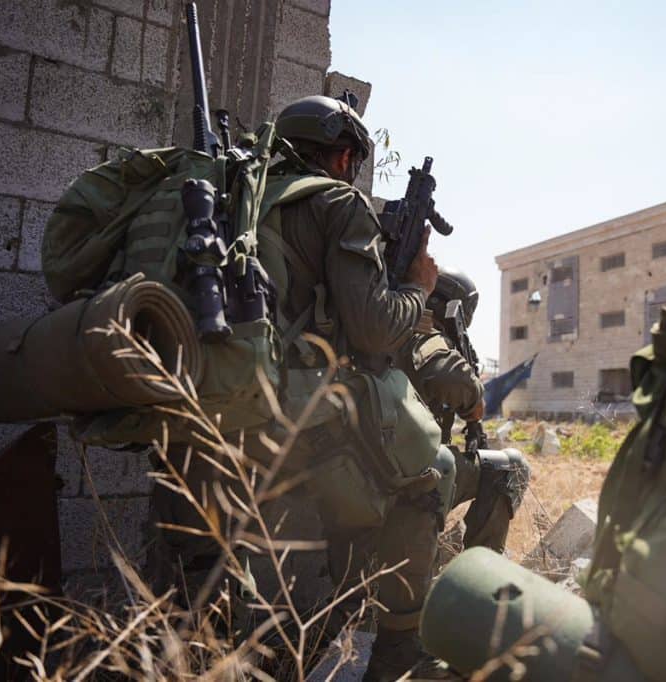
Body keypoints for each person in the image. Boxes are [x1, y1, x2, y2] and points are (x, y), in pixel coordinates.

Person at [149, 94, 449, 681]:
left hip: (189, 411)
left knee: (197, 586)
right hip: (282, 427)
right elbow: (372, 328)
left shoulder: (220, 196)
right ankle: (393, 655)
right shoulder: (337, 203)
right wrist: (416, 288)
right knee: (427, 478)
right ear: (341, 157)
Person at [397, 268, 530, 553]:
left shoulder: (385, 326)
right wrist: (474, 400)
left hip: (370, 469)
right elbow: (457, 383)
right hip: (404, 478)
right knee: (508, 468)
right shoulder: (425, 336)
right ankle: (482, 567)